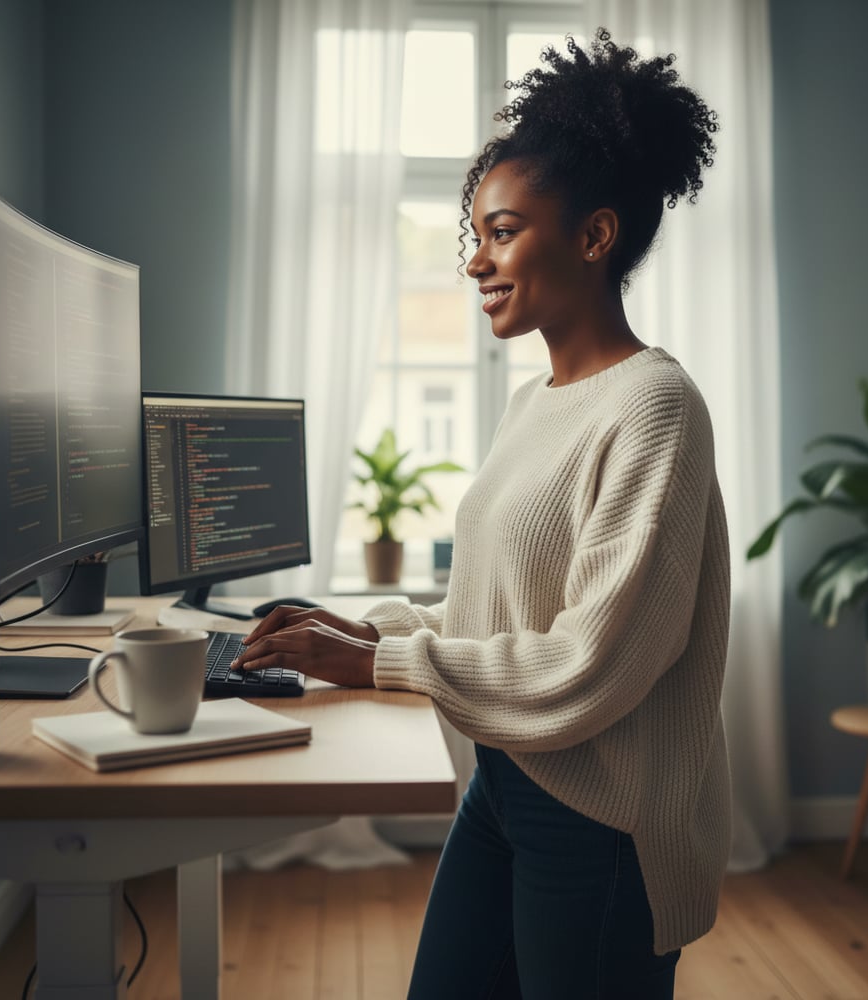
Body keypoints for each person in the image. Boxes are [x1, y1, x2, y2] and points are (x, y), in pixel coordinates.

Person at [233, 28, 730, 999]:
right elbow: (491, 618)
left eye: (501, 231)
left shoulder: (655, 408)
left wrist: (378, 661)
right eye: (474, 236)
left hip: (601, 818)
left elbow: (589, 661)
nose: (474, 262)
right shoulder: (533, 403)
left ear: (594, 236)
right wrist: (358, 627)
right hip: (506, 784)